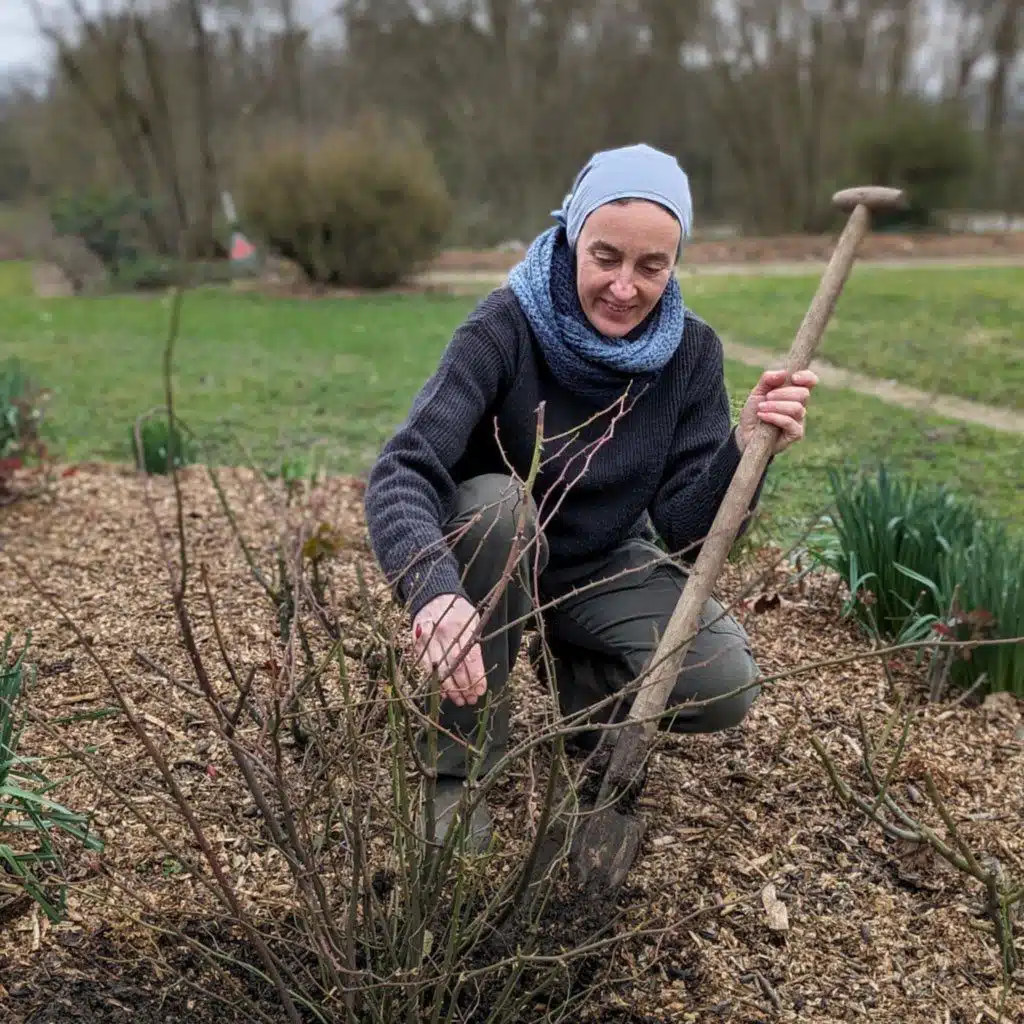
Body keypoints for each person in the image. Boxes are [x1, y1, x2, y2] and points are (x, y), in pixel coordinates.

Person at [364, 143, 817, 848]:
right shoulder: (503, 329)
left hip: (597, 560)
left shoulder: (690, 353)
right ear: (574, 237)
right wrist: (432, 591)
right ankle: (455, 770)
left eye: (652, 266)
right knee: (498, 508)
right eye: (606, 257)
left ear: (675, 263)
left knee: (723, 681)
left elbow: (689, 532)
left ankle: (583, 691)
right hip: (491, 553)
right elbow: (403, 468)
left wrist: (745, 450)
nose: (625, 287)